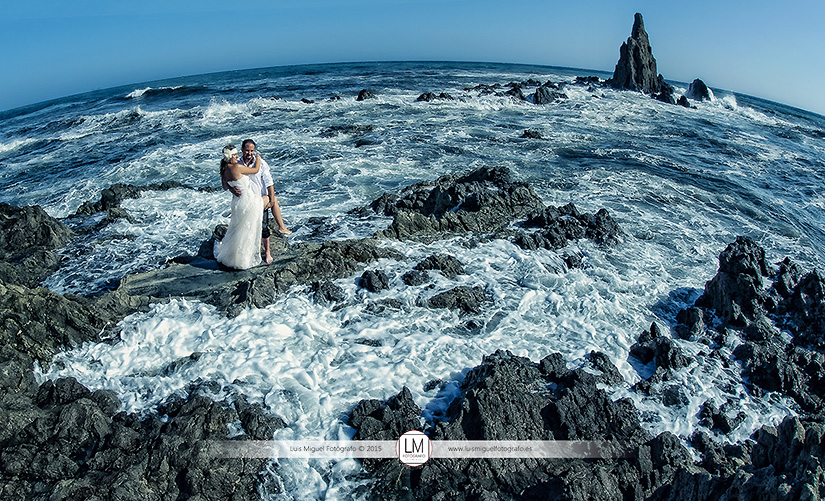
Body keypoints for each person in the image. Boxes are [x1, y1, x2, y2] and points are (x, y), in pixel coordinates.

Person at [227, 139, 291, 264]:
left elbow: (269, 182)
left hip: (259, 201)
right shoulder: (237, 164)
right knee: (243, 228)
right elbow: (226, 179)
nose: (249, 153)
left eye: (252, 151)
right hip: (244, 202)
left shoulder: (261, 163)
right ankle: (243, 253)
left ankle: (267, 252)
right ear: (242, 150)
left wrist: (271, 199)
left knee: (263, 227)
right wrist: (231, 189)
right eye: (247, 150)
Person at [214, 144, 264, 270]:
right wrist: (258, 158)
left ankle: (231, 256)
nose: (237, 156)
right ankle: (243, 259)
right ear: (230, 156)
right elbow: (255, 170)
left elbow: (225, 187)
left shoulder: (224, 169)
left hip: (237, 203)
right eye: (235, 155)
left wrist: (232, 188)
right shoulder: (237, 167)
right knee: (247, 230)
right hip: (247, 201)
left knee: (237, 230)